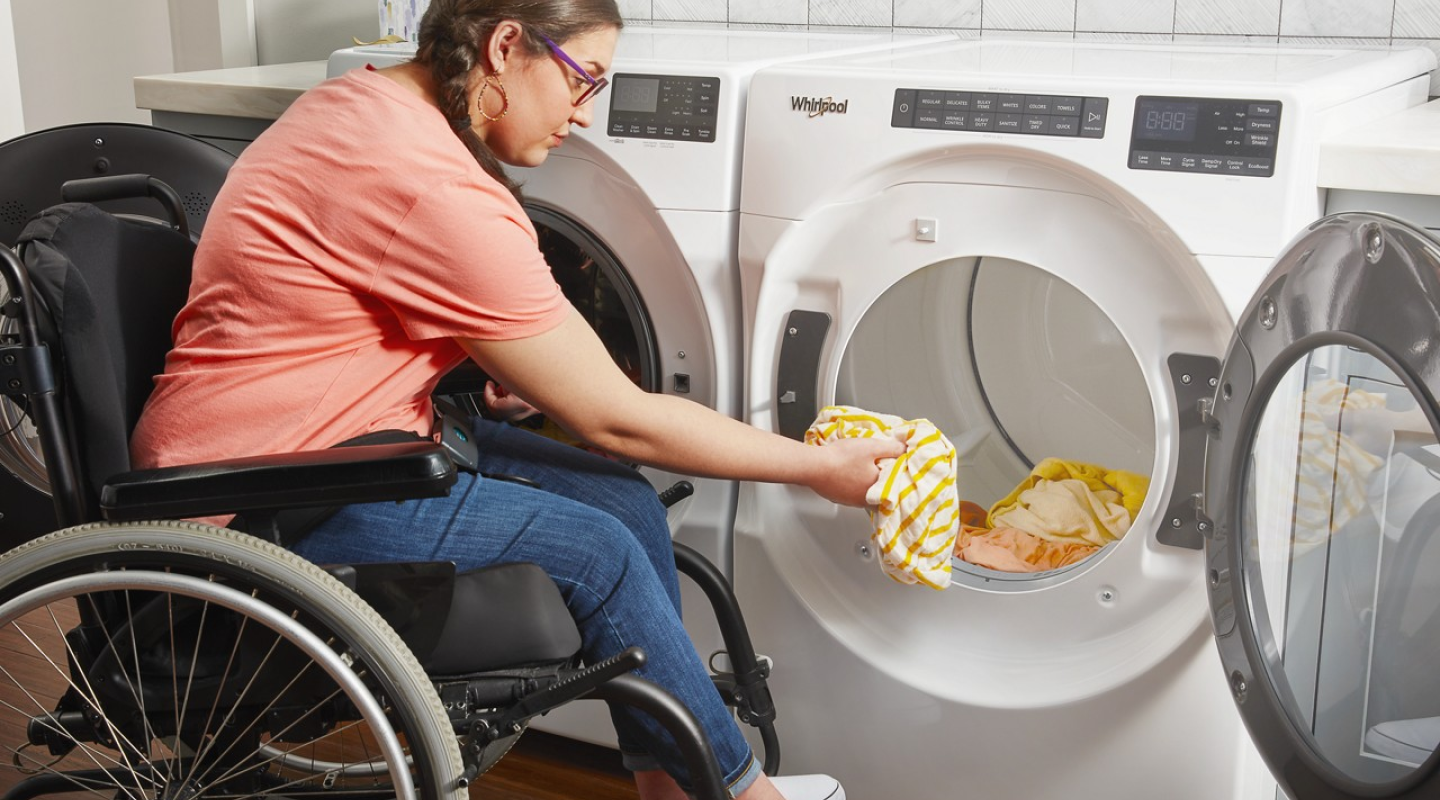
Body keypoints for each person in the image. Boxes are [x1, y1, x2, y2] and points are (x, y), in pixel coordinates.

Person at [129, 0, 902, 798]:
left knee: (621, 503)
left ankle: (672, 788)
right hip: (256, 499)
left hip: (334, 439)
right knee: (596, 552)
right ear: (504, 47)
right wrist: (817, 467)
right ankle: (746, 796)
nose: (587, 115)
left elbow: (340, 311)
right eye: (583, 81)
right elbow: (619, 416)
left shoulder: (361, 103)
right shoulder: (427, 182)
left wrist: (476, 370)